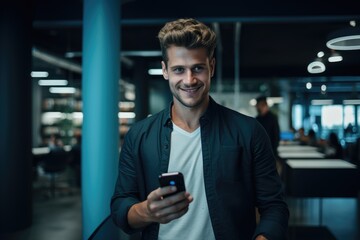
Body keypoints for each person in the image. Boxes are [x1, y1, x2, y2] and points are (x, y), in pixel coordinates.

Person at [111, 18, 289, 240]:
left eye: (198, 68)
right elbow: (120, 207)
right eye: (178, 70)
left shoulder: (249, 132)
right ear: (165, 70)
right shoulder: (139, 136)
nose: (189, 80)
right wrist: (145, 211)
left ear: (211, 67)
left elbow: (274, 207)